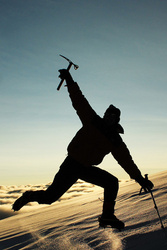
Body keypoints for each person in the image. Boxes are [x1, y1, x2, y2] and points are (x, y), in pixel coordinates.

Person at [12, 69, 153, 230]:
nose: (108, 118)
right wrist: (70, 81)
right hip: (71, 165)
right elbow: (79, 101)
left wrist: (139, 179)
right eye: (107, 115)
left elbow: (126, 160)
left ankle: (107, 216)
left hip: (85, 168)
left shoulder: (115, 140)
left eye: (112, 117)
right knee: (49, 198)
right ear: (104, 114)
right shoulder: (92, 120)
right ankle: (29, 196)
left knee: (112, 182)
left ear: (117, 120)